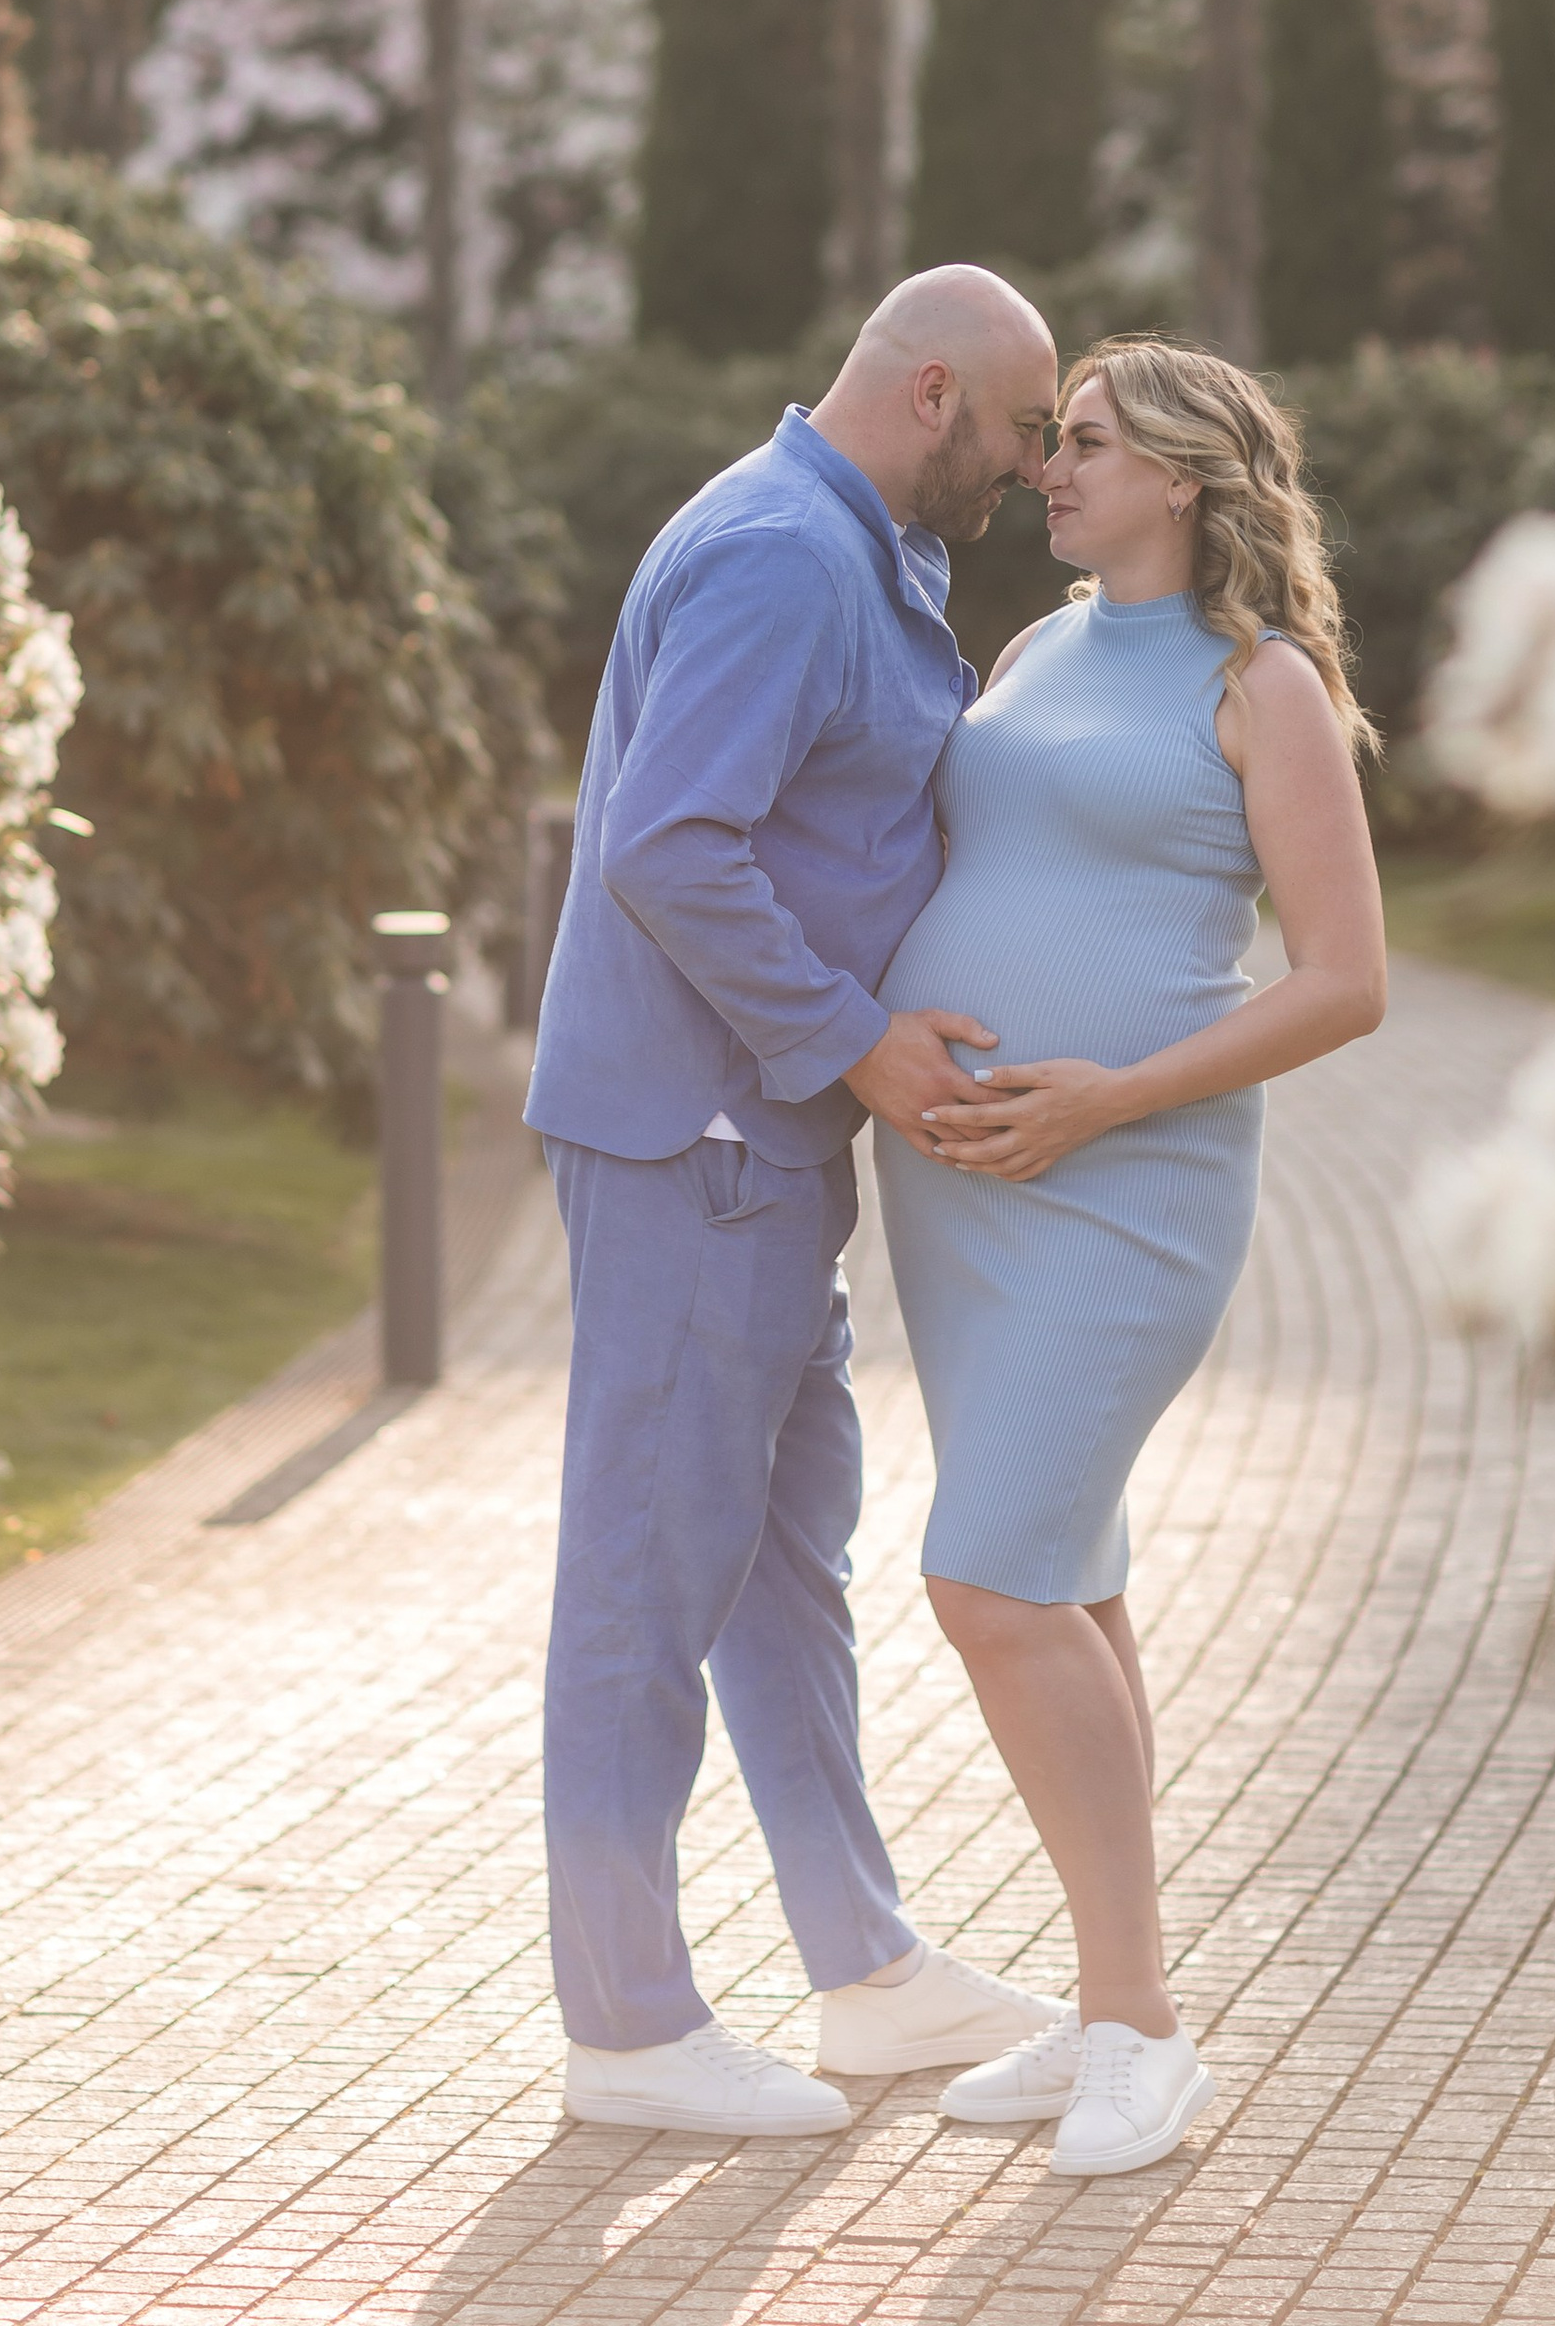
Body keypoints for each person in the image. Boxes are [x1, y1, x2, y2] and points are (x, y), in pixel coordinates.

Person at [527, 266, 1071, 2136]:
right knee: (645, 1574)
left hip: (754, 1149)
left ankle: (867, 1969)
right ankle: (627, 2025)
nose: (1026, 468)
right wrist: (858, 1042)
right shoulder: (781, 552)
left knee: (778, 1564)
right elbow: (667, 844)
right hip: (696, 1137)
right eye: (1016, 428)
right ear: (931, 394)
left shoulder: (853, 546)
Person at [875, 334, 1387, 2177]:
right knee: (1067, 1584)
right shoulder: (1029, 652)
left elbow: (1347, 981)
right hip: (961, 1191)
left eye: (1082, 444)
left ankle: (1144, 2027)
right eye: (1051, 443)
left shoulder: (1267, 689)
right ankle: (1109, 2008)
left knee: (991, 1582)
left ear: (1179, 473)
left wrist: (1106, 1100)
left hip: (1127, 1189)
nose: (1047, 470)